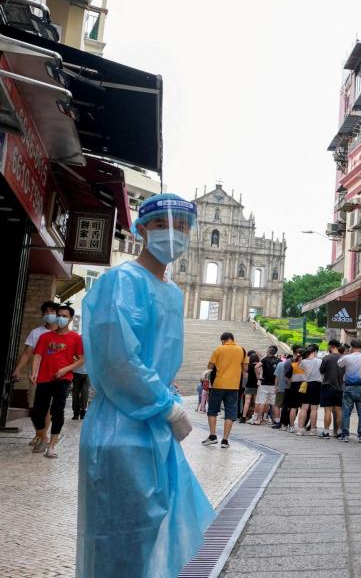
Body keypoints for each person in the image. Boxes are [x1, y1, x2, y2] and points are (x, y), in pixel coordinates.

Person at [78, 192, 214, 577]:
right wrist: (165, 404)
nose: (173, 234)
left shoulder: (171, 292)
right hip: (119, 427)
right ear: (139, 229)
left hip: (155, 431)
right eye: (160, 225)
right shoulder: (120, 281)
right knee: (115, 537)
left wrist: (164, 406)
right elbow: (117, 358)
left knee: (151, 534)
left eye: (183, 227)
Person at [30, 305, 84, 458]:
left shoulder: (75, 338)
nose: (61, 318)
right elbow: (38, 355)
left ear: (70, 319)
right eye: (59, 315)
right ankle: (43, 436)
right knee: (36, 413)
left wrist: (67, 369)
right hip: (44, 378)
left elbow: (82, 359)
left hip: (63, 379)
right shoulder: (45, 337)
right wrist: (34, 372)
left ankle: (51, 446)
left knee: (57, 411)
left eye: (65, 316)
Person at [14, 300, 57, 444]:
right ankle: (39, 433)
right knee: (34, 407)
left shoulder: (61, 334)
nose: (49, 314)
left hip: (55, 377)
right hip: (36, 376)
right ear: (42, 315)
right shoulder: (36, 332)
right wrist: (18, 370)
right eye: (46, 312)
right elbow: (27, 353)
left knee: (47, 408)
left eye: (52, 312)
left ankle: (42, 435)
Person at [205, 332, 248, 448]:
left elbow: (210, 367)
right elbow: (245, 368)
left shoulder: (219, 349)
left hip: (218, 384)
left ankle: (213, 436)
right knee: (230, 412)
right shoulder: (241, 350)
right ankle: (225, 440)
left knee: (212, 410)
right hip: (233, 386)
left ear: (223, 340)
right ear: (233, 339)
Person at [338, 339, 361, 442]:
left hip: (349, 387)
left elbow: (339, 364)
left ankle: (345, 435)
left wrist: (345, 353)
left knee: (346, 412)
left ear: (351, 347)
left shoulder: (346, 357)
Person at [296, 345, 324, 436]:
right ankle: (313, 429)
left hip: (306, 384)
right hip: (316, 385)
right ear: (315, 352)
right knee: (314, 408)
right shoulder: (320, 361)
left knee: (304, 408)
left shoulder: (303, 362)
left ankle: (300, 429)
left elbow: (300, 371)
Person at [319, 340, 344, 438]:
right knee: (338, 410)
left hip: (327, 387)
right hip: (339, 387)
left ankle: (326, 432)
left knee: (328, 411)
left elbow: (321, 371)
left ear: (331, 346)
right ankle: (339, 431)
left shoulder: (327, 358)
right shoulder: (343, 358)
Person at [255, 346, 279, 425]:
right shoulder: (278, 360)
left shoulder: (264, 359)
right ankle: (276, 421)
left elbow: (256, 366)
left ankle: (259, 419)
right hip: (274, 385)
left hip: (264, 383)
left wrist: (258, 377)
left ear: (268, 351)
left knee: (262, 402)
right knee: (274, 404)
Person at [286, 346, 306, 432]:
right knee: (303, 408)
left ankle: (291, 426)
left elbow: (287, 377)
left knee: (293, 407)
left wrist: (289, 385)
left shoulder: (293, 365)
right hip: (304, 386)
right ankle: (301, 426)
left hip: (294, 386)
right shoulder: (306, 365)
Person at [241, 350, 261, 423]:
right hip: (256, 385)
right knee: (256, 402)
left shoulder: (248, 366)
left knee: (247, 402)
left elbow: (246, 376)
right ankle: (255, 416)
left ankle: (243, 417)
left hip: (248, 385)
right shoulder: (259, 366)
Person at [273, 352, 291, 429]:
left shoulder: (280, 364)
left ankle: (277, 421)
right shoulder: (293, 365)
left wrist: (276, 386)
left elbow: (276, 377)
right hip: (289, 389)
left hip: (280, 388)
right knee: (287, 407)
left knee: (277, 405)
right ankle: (287, 423)